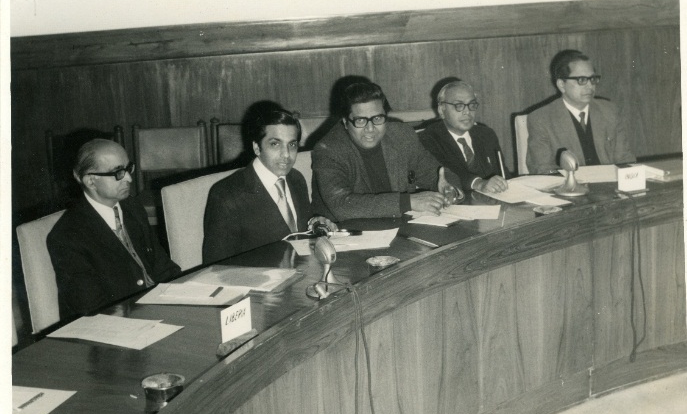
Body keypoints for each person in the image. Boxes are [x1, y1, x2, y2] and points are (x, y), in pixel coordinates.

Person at [47, 139, 180, 320]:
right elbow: (92, 308)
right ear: (91, 181)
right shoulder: (68, 236)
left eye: (128, 168)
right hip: (112, 326)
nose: (129, 178)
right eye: (118, 173)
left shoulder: (132, 207)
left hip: (155, 311)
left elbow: (163, 267)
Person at [312, 81, 462, 222]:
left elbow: (437, 173)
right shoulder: (329, 149)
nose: (370, 129)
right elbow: (341, 205)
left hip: (399, 226)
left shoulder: (402, 136)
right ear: (345, 122)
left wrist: (449, 188)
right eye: (360, 120)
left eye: (377, 118)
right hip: (346, 231)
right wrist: (407, 202)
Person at [203, 108, 336, 264]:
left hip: (302, 272)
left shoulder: (296, 179)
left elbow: (297, 234)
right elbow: (216, 268)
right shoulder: (226, 195)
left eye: (292, 144)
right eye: (275, 144)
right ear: (256, 147)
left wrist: (315, 224)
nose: (286, 154)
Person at [526, 49, 635, 174]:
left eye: (592, 79)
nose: (590, 86)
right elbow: (542, 169)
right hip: (568, 184)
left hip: (611, 183)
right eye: (581, 80)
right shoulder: (541, 119)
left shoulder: (610, 111)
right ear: (562, 85)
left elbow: (625, 159)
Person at [419, 81, 509, 193]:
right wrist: (479, 184)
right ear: (441, 110)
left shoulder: (486, 134)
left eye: (472, 105)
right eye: (459, 105)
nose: (467, 112)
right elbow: (447, 175)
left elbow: (503, 174)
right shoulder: (428, 139)